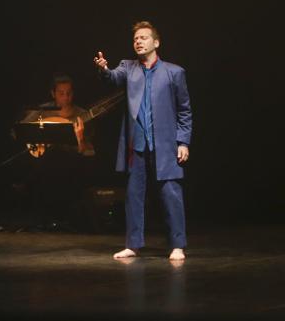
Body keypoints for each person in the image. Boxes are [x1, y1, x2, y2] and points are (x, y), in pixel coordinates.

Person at [93, 21, 192, 261]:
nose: (138, 41)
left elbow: (184, 110)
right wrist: (104, 69)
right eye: (136, 38)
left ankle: (177, 245)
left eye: (144, 37)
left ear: (156, 43)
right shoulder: (128, 68)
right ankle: (133, 245)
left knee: (171, 194)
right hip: (137, 144)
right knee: (134, 194)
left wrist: (183, 142)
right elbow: (112, 78)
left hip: (166, 144)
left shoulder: (174, 72)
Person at [18, 73, 96, 229]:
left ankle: (65, 217)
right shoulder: (43, 111)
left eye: (69, 93)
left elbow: (87, 152)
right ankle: (44, 217)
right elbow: (20, 130)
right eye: (61, 93)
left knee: (58, 158)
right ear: (53, 94)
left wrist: (79, 138)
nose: (65, 97)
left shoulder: (81, 115)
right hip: (45, 163)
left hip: (71, 163)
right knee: (44, 162)